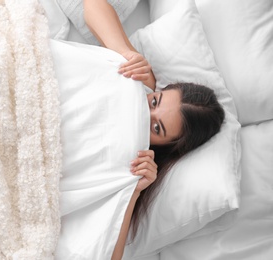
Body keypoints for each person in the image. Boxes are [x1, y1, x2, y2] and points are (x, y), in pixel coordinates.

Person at [83, 1, 225, 259]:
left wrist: (134, 192)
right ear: (158, 92)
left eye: (156, 127)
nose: (144, 112)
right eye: (154, 102)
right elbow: (91, 5)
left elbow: (106, 255)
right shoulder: (140, 81)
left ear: (164, 144)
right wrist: (125, 51)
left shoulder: (136, 164)